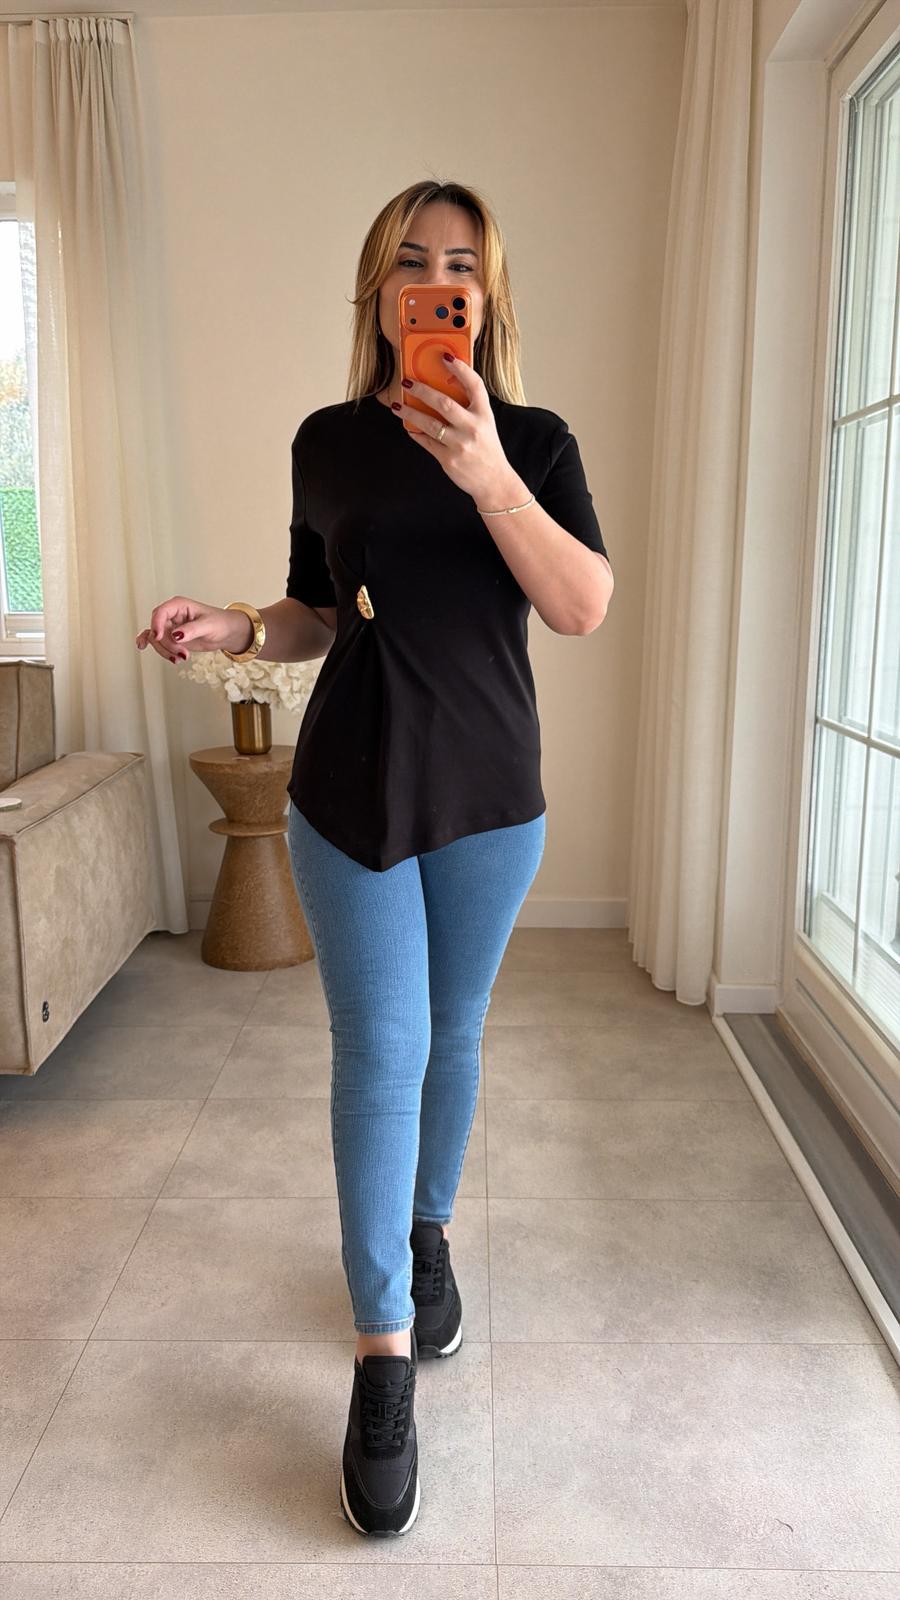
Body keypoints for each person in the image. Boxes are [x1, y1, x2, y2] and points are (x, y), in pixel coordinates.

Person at [136, 178, 614, 1538]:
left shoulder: (537, 438)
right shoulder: (328, 440)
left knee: (452, 1033)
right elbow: (314, 608)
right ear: (379, 290)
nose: (435, 282)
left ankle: (426, 1231)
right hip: (345, 785)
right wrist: (236, 630)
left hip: (488, 796)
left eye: (461, 264)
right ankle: (382, 1358)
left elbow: (582, 604)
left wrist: (489, 476)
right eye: (412, 262)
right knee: (379, 1048)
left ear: (487, 294)